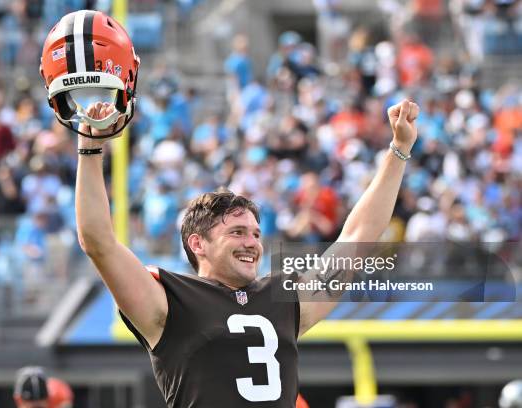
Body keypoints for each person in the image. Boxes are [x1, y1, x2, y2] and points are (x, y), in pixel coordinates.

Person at [43, 10, 420, 408]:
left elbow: (357, 237)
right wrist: (90, 144)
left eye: (255, 233)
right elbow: (98, 242)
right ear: (198, 243)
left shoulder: (283, 298)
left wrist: (398, 152)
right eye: (237, 233)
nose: (252, 243)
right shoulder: (169, 302)